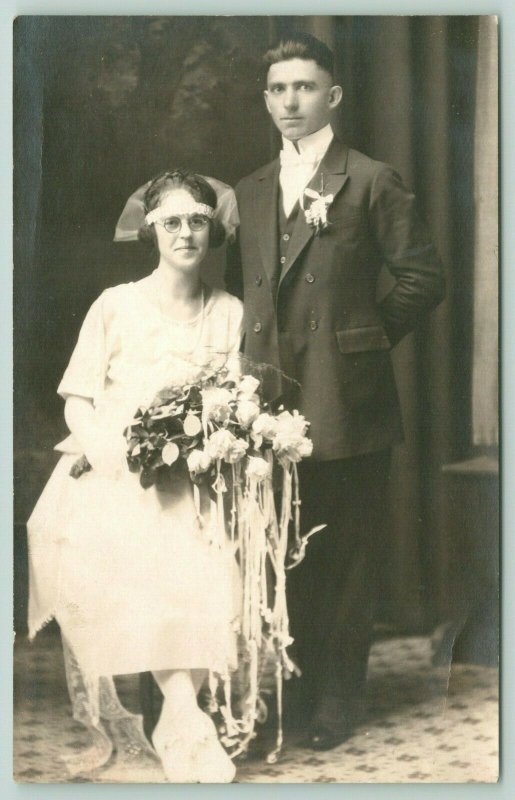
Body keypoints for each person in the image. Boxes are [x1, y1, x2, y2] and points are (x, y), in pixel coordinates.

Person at [225, 33, 446, 751]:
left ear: (333, 96)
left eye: (304, 87)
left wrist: (360, 342)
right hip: (266, 404)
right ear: (266, 99)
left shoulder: (369, 179)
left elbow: (421, 276)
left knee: (344, 554)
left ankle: (336, 702)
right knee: (280, 551)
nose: (290, 101)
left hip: (345, 400)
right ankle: (290, 692)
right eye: (278, 89)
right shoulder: (253, 189)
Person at [27, 170, 243, 783]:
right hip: (114, 471)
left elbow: (232, 401)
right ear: (151, 231)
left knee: (203, 557)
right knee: (145, 546)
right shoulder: (116, 305)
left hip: (193, 474)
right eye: (171, 222)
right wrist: (110, 455)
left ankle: (179, 719)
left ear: (213, 229)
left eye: (197, 221)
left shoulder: (229, 313)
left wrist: (211, 450)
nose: (185, 233)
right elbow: (77, 399)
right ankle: (186, 720)